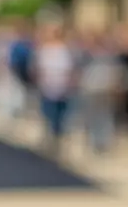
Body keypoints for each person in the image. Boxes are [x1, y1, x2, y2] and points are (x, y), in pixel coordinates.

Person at [34, 24, 75, 156]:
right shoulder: (45, 49)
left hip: (61, 86)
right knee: (48, 113)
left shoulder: (64, 49)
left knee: (60, 114)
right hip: (48, 86)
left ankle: (58, 137)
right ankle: (50, 137)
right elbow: (39, 68)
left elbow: (69, 69)